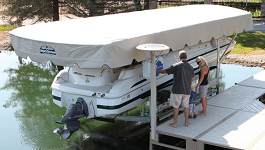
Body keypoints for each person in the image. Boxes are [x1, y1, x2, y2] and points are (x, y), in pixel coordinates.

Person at [156, 50, 194, 127]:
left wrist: (155, 70)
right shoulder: (191, 67)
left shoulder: (176, 66)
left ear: (179, 57)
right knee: (186, 106)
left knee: (176, 106)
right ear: (186, 57)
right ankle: (186, 122)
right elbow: (192, 79)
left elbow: (165, 71)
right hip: (187, 90)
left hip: (177, 90)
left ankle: (175, 123)